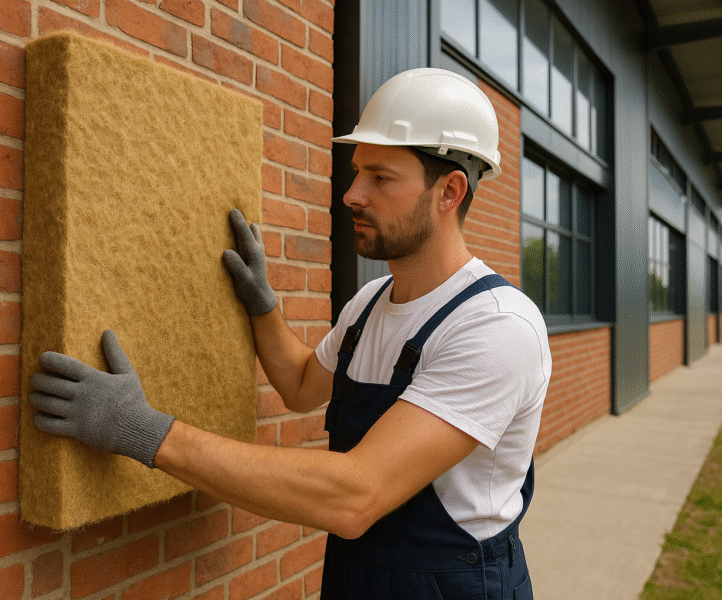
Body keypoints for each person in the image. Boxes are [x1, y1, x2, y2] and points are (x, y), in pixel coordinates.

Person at [29, 68, 551, 599]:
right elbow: (301, 383)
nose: (352, 195)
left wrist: (142, 431)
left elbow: (355, 495)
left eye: (381, 177)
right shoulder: (370, 305)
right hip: (358, 577)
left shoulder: (495, 327)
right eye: (356, 174)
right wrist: (262, 306)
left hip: (455, 586)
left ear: (449, 192)